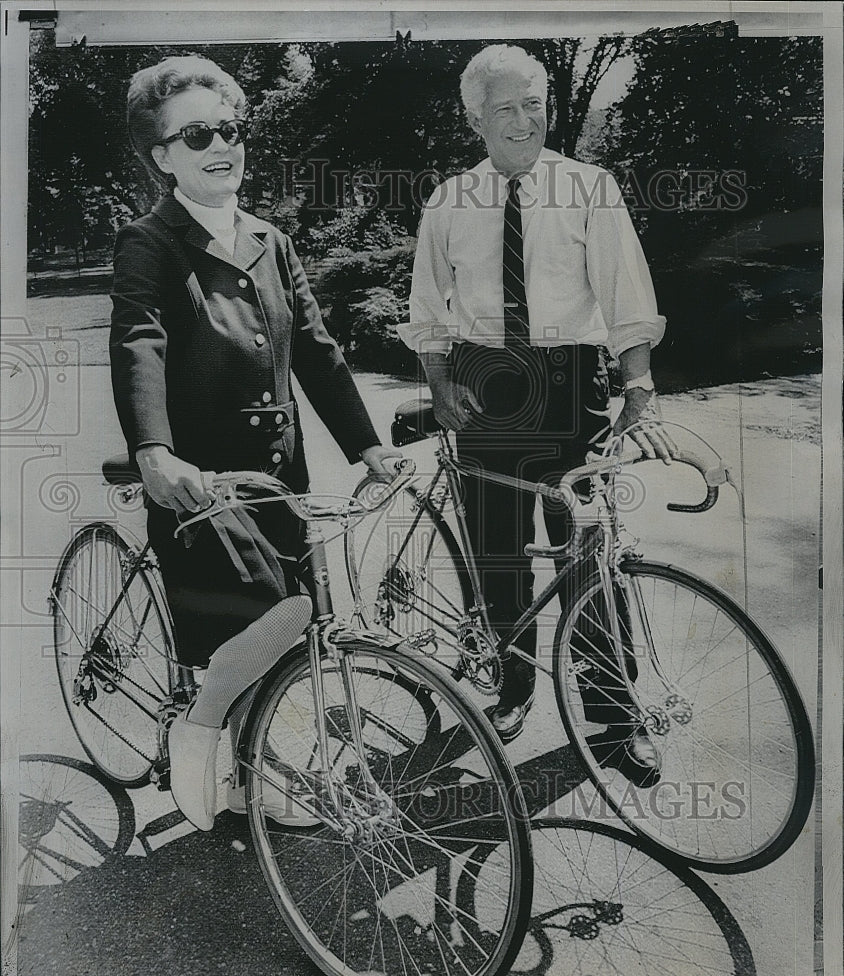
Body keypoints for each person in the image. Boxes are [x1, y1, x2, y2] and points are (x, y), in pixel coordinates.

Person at [111, 55, 400, 829]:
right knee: (272, 621)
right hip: (199, 480)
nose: (221, 145)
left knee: (282, 636)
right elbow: (139, 342)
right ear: (162, 155)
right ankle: (198, 727)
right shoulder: (151, 242)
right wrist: (154, 450)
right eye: (197, 133)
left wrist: (367, 446)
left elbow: (316, 347)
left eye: (230, 129)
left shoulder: (270, 239)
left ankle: (245, 780)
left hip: (280, 474)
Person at [398, 45, 677, 776]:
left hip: (569, 383)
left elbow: (625, 296)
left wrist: (638, 393)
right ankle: (513, 682)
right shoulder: (449, 201)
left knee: (587, 556)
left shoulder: (589, 188)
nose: (525, 121)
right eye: (505, 109)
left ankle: (614, 720)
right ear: (474, 118)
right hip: (482, 383)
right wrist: (438, 379)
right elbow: (428, 306)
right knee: (497, 556)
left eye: (534, 103)